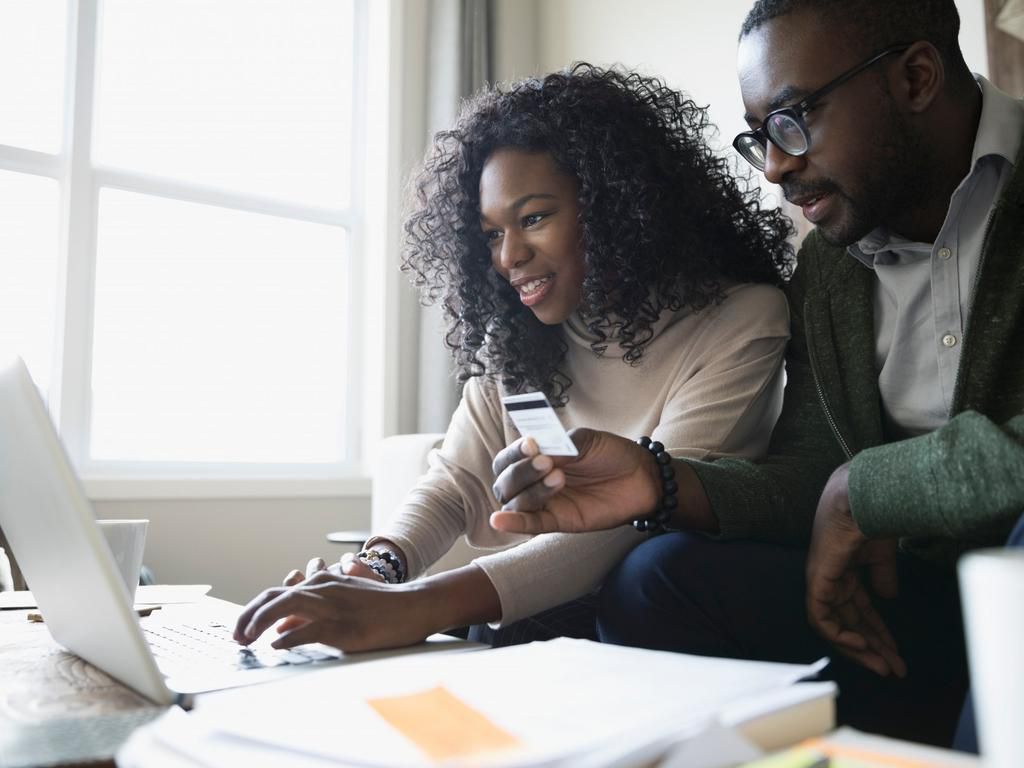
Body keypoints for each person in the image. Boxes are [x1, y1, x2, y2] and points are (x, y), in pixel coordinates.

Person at [488, 0, 1024, 749]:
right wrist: (660, 481)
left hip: (1010, 587)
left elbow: (846, 489)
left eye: (793, 119)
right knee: (656, 577)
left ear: (915, 78)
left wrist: (866, 487)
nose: (775, 166)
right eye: (760, 137)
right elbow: (811, 469)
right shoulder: (831, 266)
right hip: (905, 614)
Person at [233, 63, 793, 653]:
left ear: (618, 206)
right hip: (556, 600)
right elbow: (455, 484)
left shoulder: (741, 320)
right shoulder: (520, 343)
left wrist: (416, 605)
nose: (509, 257)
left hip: (665, 602)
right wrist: (376, 570)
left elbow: (637, 516)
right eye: (492, 234)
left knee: (503, 618)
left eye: (533, 218)